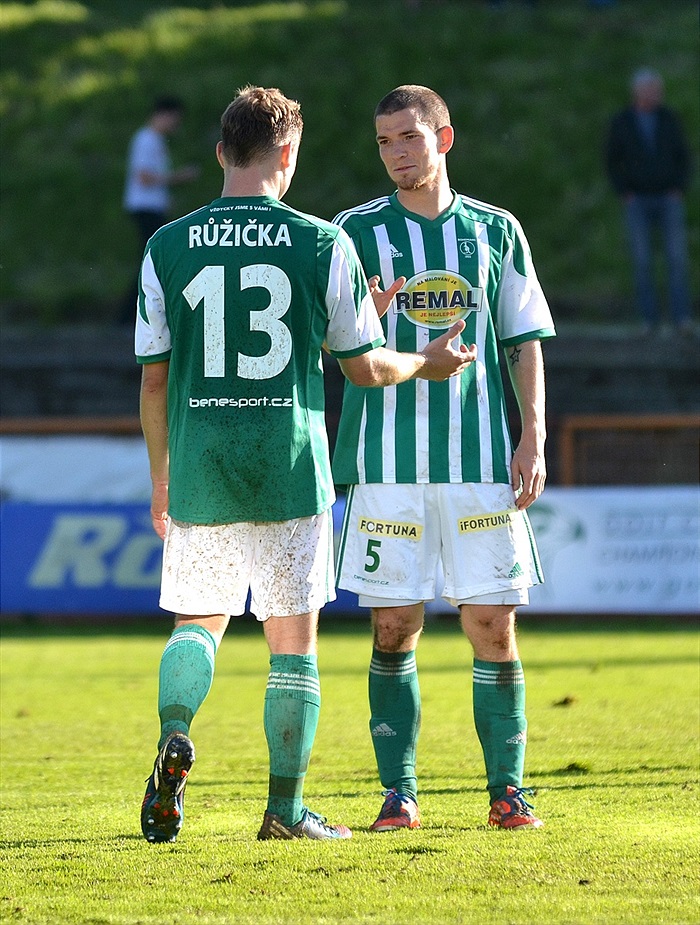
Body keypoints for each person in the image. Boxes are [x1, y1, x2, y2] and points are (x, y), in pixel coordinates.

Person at [135, 85, 475, 845]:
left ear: (220, 153)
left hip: (201, 463)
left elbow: (154, 381)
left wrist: (161, 475)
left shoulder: (166, 246)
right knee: (292, 645)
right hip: (289, 464)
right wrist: (424, 361)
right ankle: (285, 812)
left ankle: (175, 733)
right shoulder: (323, 243)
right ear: (287, 153)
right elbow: (363, 368)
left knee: (199, 622)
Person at [332, 85, 556, 832]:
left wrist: (533, 435)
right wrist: (359, 321)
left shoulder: (497, 229)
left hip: (480, 464)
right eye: (384, 142)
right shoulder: (353, 232)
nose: (396, 154)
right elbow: (326, 346)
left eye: (408, 137)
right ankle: (399, 793)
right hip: (387, 468)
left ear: (444, 138)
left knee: (492, 624)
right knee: (394, 627)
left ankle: (508, 792)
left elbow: (523, 339)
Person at [605, 68, 693, 333]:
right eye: (651, 90)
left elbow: (684, 154)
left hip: (668, 197)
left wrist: (679, 187)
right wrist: (624, 191)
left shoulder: (668, 119)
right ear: (638, 92)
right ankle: (648, 319)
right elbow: (612, 159)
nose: (656, 95)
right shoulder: (623, 122)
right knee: (642, 260)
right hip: (637, 199)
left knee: (677, 259)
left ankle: (681, 317)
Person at [121, 96, 199, 323]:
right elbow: (144, 177)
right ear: (164, 114)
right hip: (146, 208)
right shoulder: (146, 139)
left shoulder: (153, 140)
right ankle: (128, 313)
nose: (176, 124)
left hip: (151, 207)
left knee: (150, 260)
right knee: (150, 262)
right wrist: (179, 177)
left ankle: (131, 313)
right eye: (175, 119)